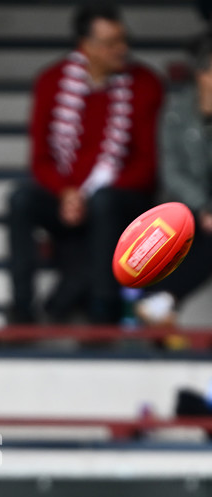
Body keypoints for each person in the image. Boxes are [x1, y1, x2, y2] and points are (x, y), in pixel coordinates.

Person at [6, 3, 164, 324]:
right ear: (86, 46)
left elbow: (147, 167)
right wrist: (66, 194)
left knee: (105, 203)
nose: (123, 49)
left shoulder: (146, 84)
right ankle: (21, 305)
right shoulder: (51, 81)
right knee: (20, 199)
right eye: (111, 43)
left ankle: (104, 306)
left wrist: (91, 195)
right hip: (67, 196)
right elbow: (39, 159)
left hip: (119, 196)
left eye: (124, 39)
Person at [135, 32, 212, 325]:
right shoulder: (176, 112)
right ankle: (161, 305)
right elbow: (171, 172)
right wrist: (202, 206)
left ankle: (161, 302)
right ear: (201, 75)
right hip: (182, 204)